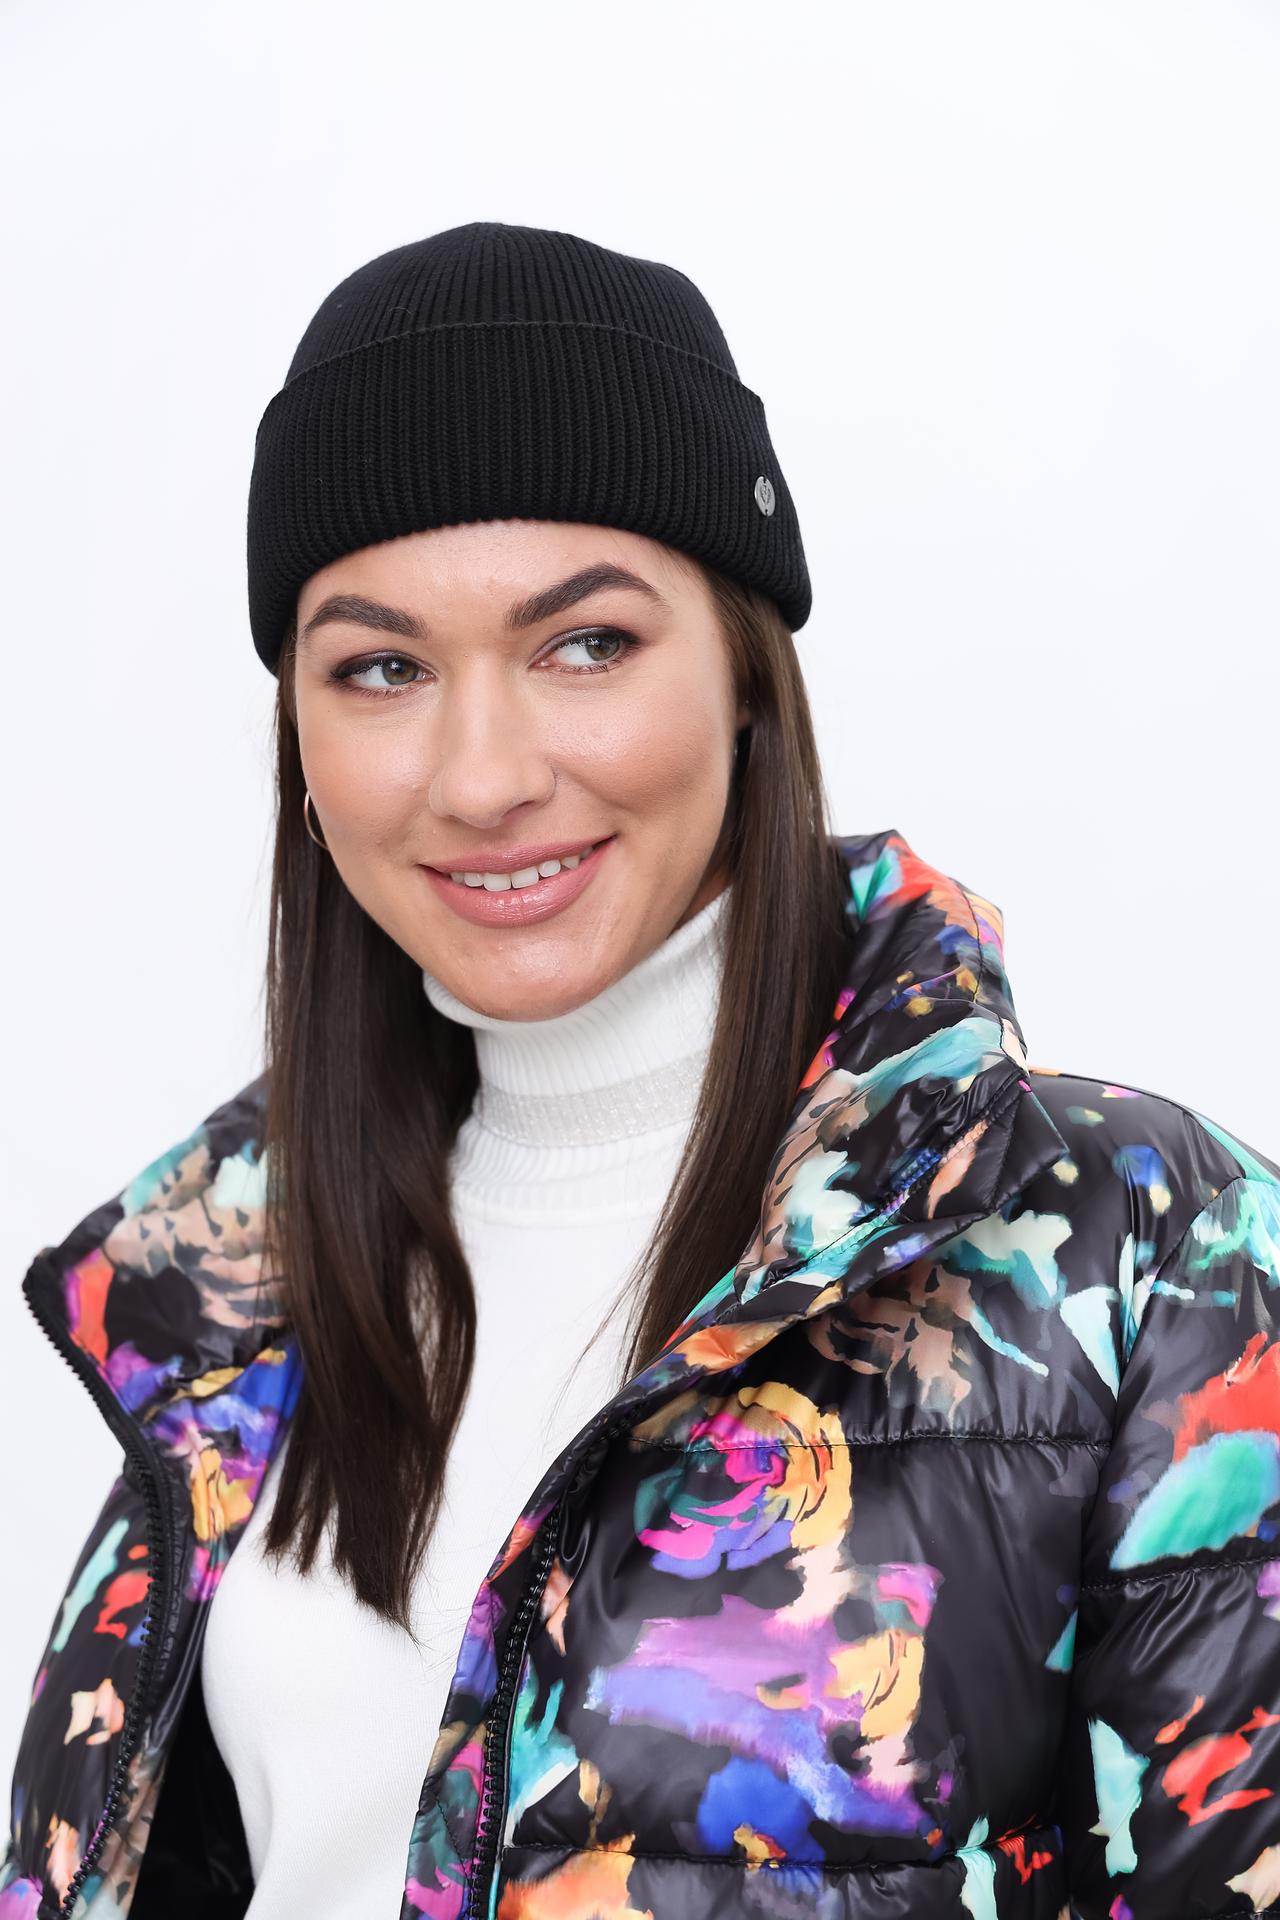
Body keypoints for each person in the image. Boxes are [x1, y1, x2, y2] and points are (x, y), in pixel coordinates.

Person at [2, 221, 1277, 1920]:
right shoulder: (226, 1301)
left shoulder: (1149, 1251)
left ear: (746, 672)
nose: (481, 777)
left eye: (586, 645)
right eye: (380, 668)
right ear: (300, 736)